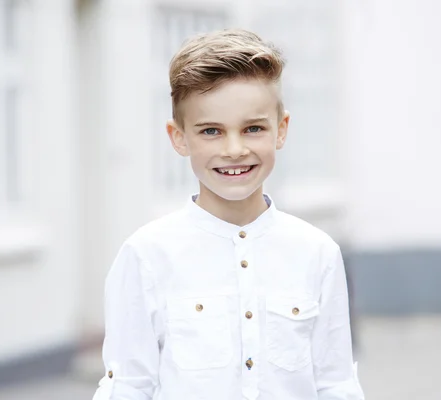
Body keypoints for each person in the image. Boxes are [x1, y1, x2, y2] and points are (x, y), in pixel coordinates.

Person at [93, 28, 364, 400]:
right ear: (179, 137)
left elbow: (336, 384)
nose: (234, 149)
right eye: (211, 131)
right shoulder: (146, 256)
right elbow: (128, 386)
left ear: (280, 130)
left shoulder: (318, 253)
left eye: (253, 128)